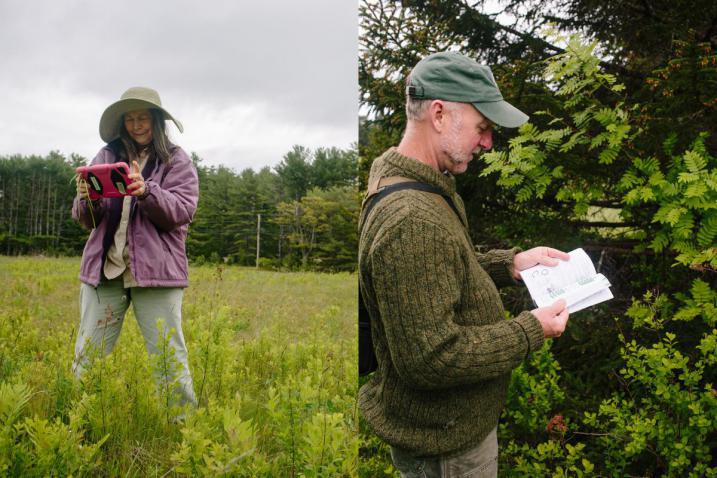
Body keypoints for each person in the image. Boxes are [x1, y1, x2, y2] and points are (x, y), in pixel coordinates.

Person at [358, 52, 571, 477]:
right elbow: (430, 357)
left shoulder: (414, 183)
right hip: (445, 450)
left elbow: (437, 270)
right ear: (439, 114)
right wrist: (532, 329)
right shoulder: (412, 218)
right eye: (482, 128)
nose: (488, 142)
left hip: (447, 434)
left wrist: (510, 265)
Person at [72, 86, 199, 410]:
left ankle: (182, 428)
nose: (136, 125)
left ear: (156, 121)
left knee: (169, 357)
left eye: (143, 117)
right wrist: (87, 198)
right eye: (130, 119)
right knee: (89, 354)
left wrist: (147, 191)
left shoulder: (176, 160)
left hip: (157, 275)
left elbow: (181, 212)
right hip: (107, 270)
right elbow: (87, 219)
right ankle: (78, 424)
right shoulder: (107, 156)